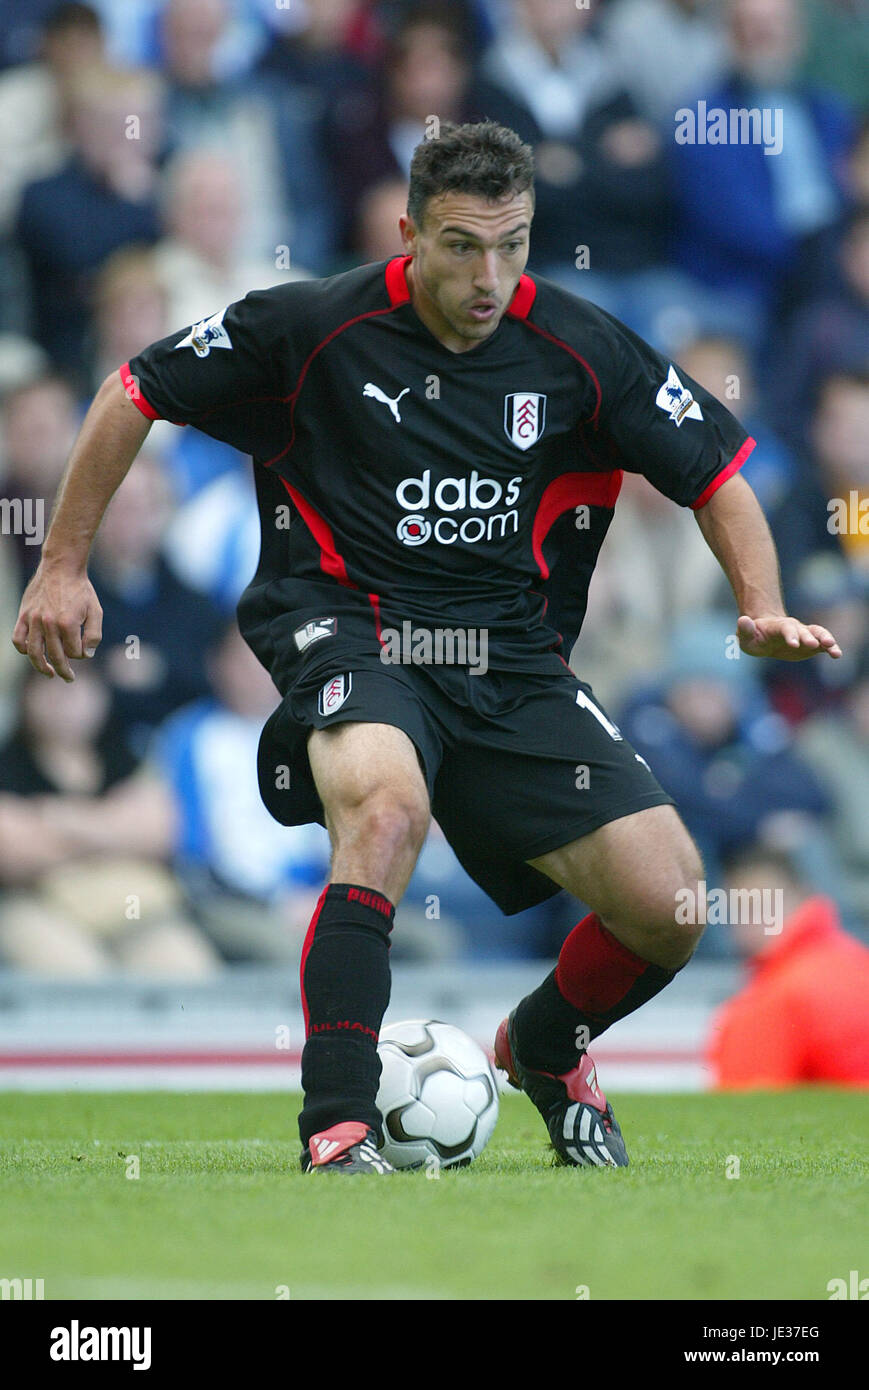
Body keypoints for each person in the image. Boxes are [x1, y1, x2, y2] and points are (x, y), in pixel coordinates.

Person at [13, 121, 842, 1175]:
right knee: (384, 804)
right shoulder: (311, 325)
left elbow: (715, 471)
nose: (488, 274)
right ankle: (338, 1121)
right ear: (407, 232)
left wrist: (758, 602)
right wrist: (62, 564)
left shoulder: (583, 350)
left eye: (512, 244)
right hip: (351, 625)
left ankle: (544, 1046)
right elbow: (134, 388)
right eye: (459, 245)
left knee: (669, 902)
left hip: (509, 662)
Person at [706, 845, 869, 1087]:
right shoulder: (856, 962)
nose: (750, 921)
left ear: (802, 895)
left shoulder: (775, 996)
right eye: (740, 909)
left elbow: (745, 1109)